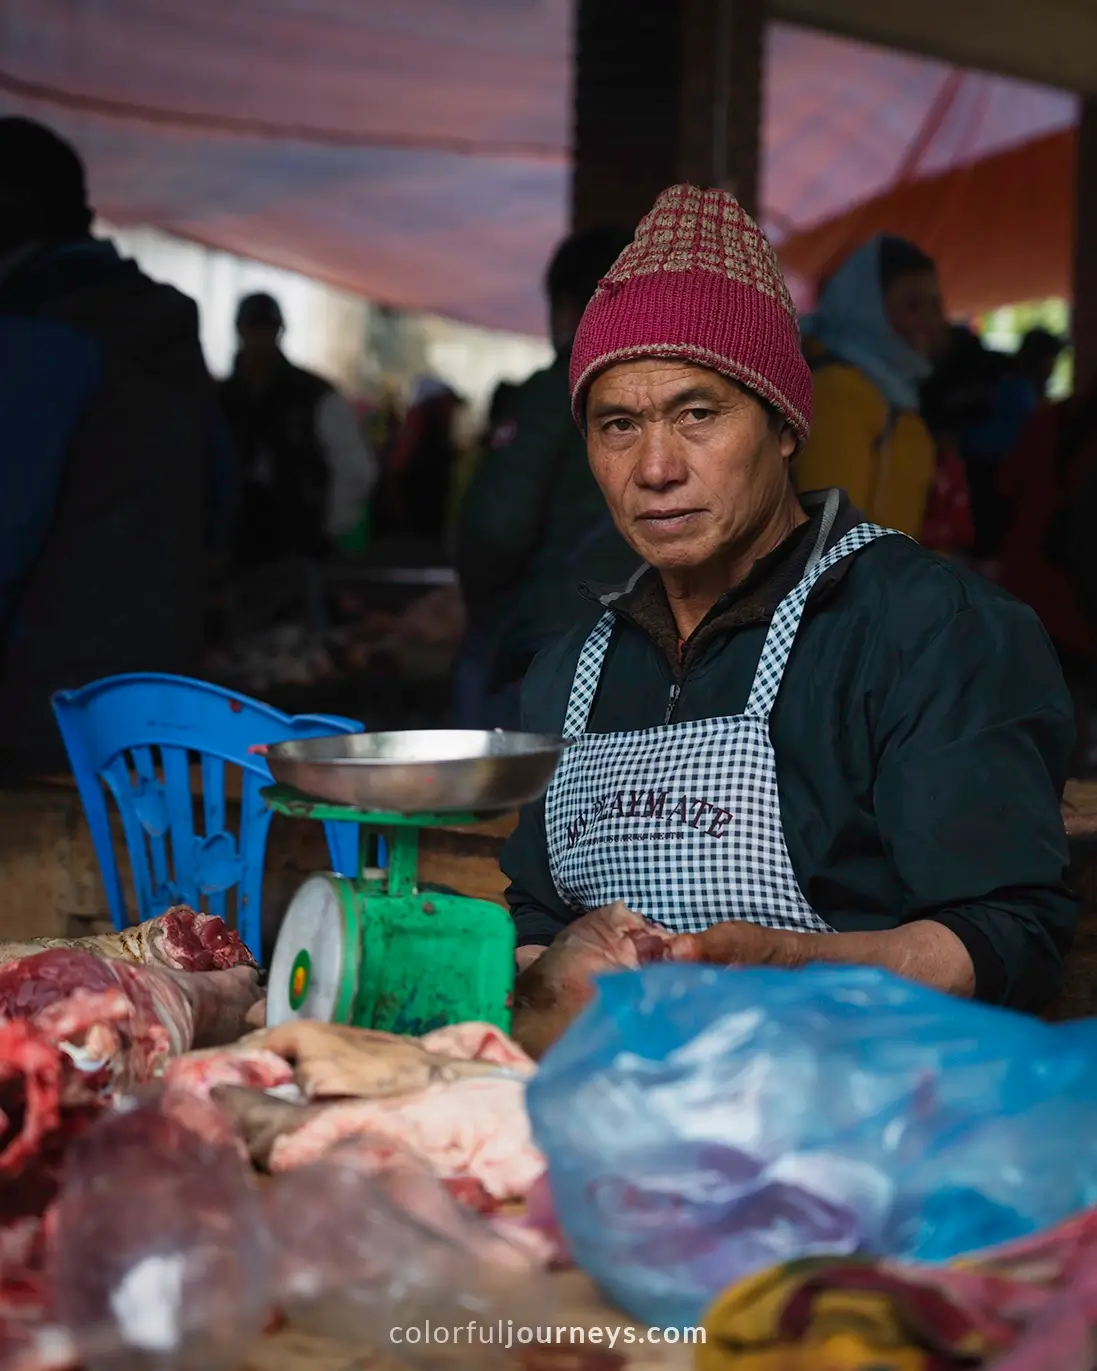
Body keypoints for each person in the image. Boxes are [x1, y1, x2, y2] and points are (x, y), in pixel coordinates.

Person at [502, 185, 1076, 1057]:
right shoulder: (569, 672)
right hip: (616, 1119)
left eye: (698, 414)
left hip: (862, 1118)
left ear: (781, 425)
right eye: (617, 424)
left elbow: (1005, 936)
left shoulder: (929, 631)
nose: (654, 467)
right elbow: (538, 921)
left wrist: (790, 964)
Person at [0, 117, 224, 779]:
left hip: (43, 702)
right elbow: (220, 500)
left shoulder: (36, 334)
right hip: (160, 690)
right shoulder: (164, 333)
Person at [454, 226, 640, 728]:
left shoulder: (557, 392)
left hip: (556, 645)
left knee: (513, 799)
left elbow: (497, 527)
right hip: (658, 654)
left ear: (564, 308)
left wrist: (484, 606)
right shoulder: (684, 394)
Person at [794, 235, 946, 537]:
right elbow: (831, 538)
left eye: (935, 305)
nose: (931, 321)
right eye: (912, 305)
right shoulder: (838, 390)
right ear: (865, 308)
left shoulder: (890, 389)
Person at [218, 293, 378, 571]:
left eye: (266, 328)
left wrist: (324, 530)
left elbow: (356, 469)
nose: (260, 338)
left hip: (296, 542)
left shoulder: (314, 395)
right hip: (234, 541)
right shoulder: (222, 398)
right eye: (254, 328)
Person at [958, 326, 1066, 565]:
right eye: (1049, 360)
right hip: (995, 492)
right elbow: (1010, 441)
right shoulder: (1018, 390)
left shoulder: (1018, 390)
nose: (1051, 368)